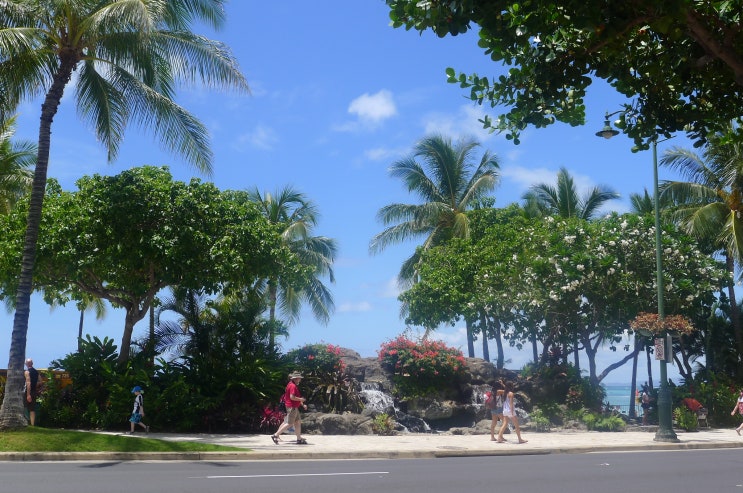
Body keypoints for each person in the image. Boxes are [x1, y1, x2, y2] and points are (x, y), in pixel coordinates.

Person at [271, 371, 309, 445]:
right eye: (299, 378)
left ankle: (299, 439)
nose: (300, 380)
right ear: (296, 378)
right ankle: (275, 435)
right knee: (289, 423)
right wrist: (301, 399)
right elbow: (292, 397)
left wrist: (301, 403)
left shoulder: (290, 384)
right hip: (292, 407)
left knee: (297, 422)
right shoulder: (292, 386)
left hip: (294, 407)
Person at [23, 358, 39, 426]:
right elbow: (40, 382)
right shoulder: (36, 372)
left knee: (22, 406)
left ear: (26, 364)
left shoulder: (27, 372)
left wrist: (28, 394)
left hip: (28, 391)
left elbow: (28, 383)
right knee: (32, 409)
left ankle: (25, 422)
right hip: (34, 391)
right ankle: (32, 424)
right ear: (32, 363)